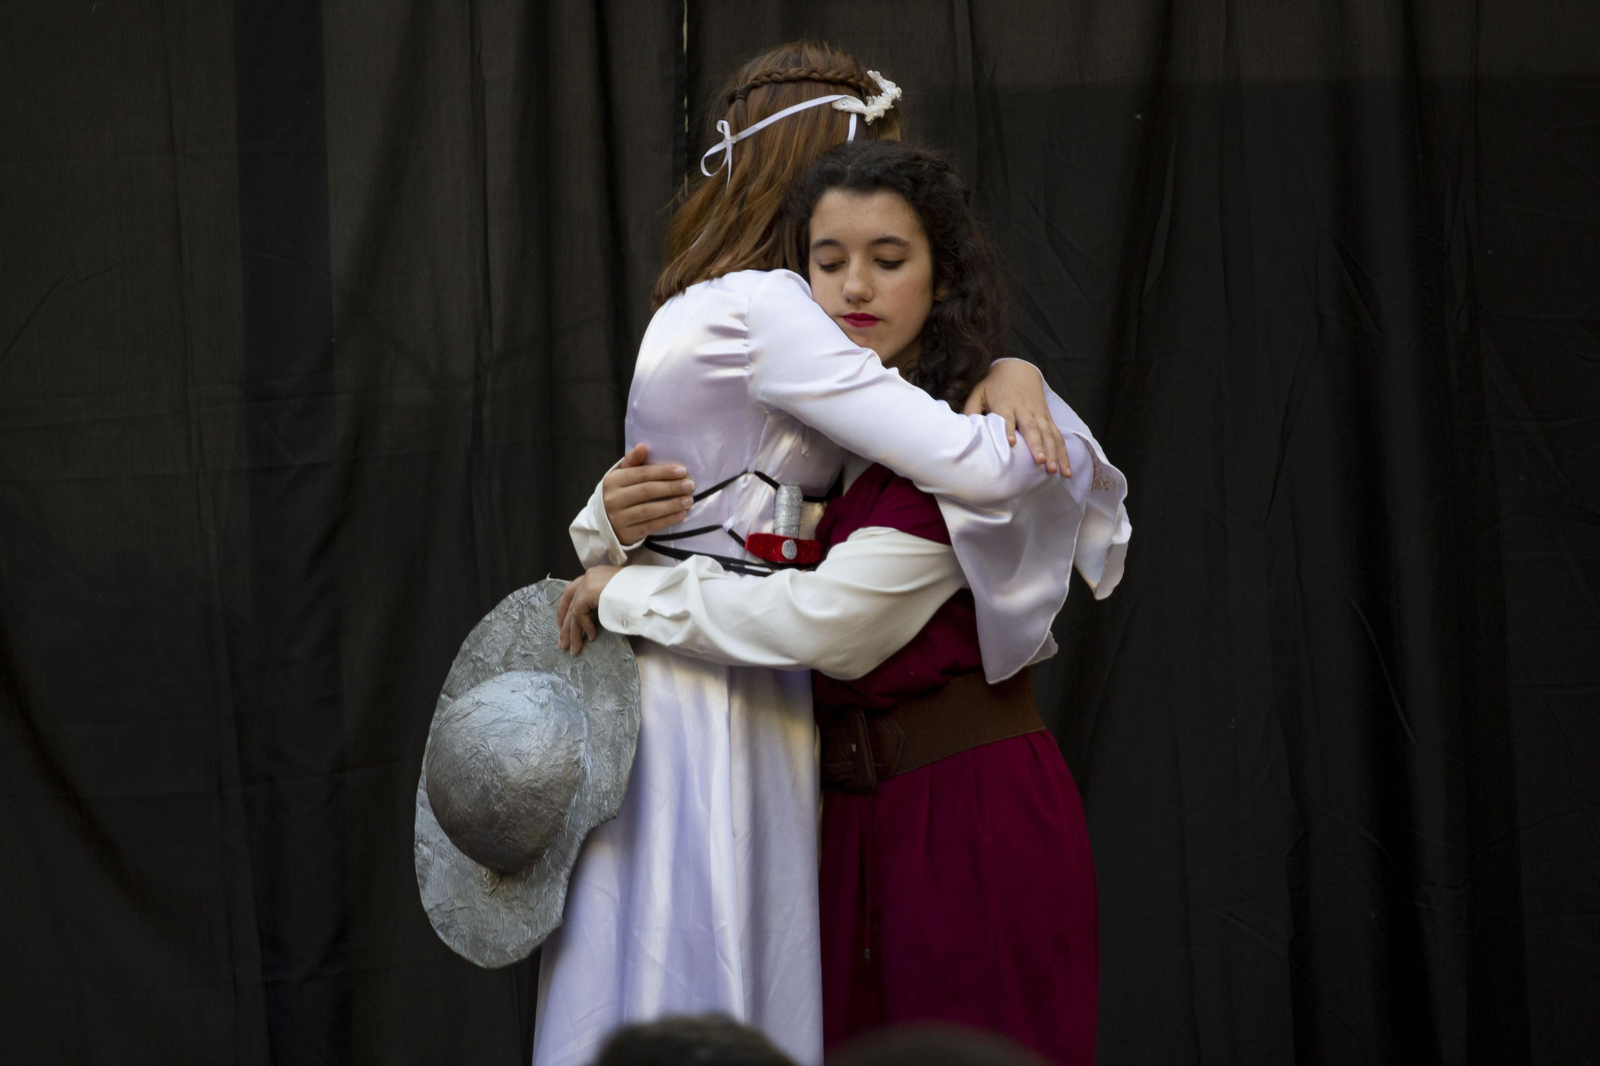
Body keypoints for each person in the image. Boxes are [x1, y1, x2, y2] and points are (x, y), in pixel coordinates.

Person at [533, 42, 1120, 1066]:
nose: (850, 289)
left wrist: (1014, 374)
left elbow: (823, 595)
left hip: (940, 799)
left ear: (941, 268)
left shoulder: (765, 337)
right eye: (830, 253)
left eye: (889, 256)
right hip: (792, 764)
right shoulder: (789, 343)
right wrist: (610, 528)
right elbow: (745, 519)